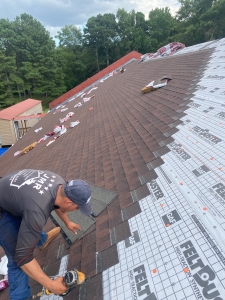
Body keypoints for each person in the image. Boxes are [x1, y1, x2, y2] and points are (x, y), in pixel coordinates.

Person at [0, 169, 92, 300]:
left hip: (10, 196)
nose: (76, 210)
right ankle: (20, 297)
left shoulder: (60, 183)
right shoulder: (37, 209)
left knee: (30, 223)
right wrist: (51, 285)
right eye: (77, 207)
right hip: (2, 214)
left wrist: (67, 222)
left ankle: (41, 240)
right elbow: (23, 257)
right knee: (17, 258)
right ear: (69, 202)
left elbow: (57, 204)